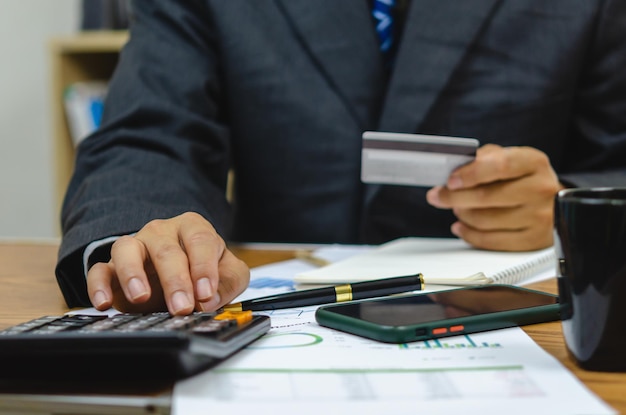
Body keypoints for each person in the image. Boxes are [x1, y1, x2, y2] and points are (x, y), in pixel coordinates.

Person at [56, 0, 626, 316]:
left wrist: (570, 206)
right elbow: (149, 135)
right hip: (259, 318)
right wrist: (144, 243)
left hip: (517, 323)